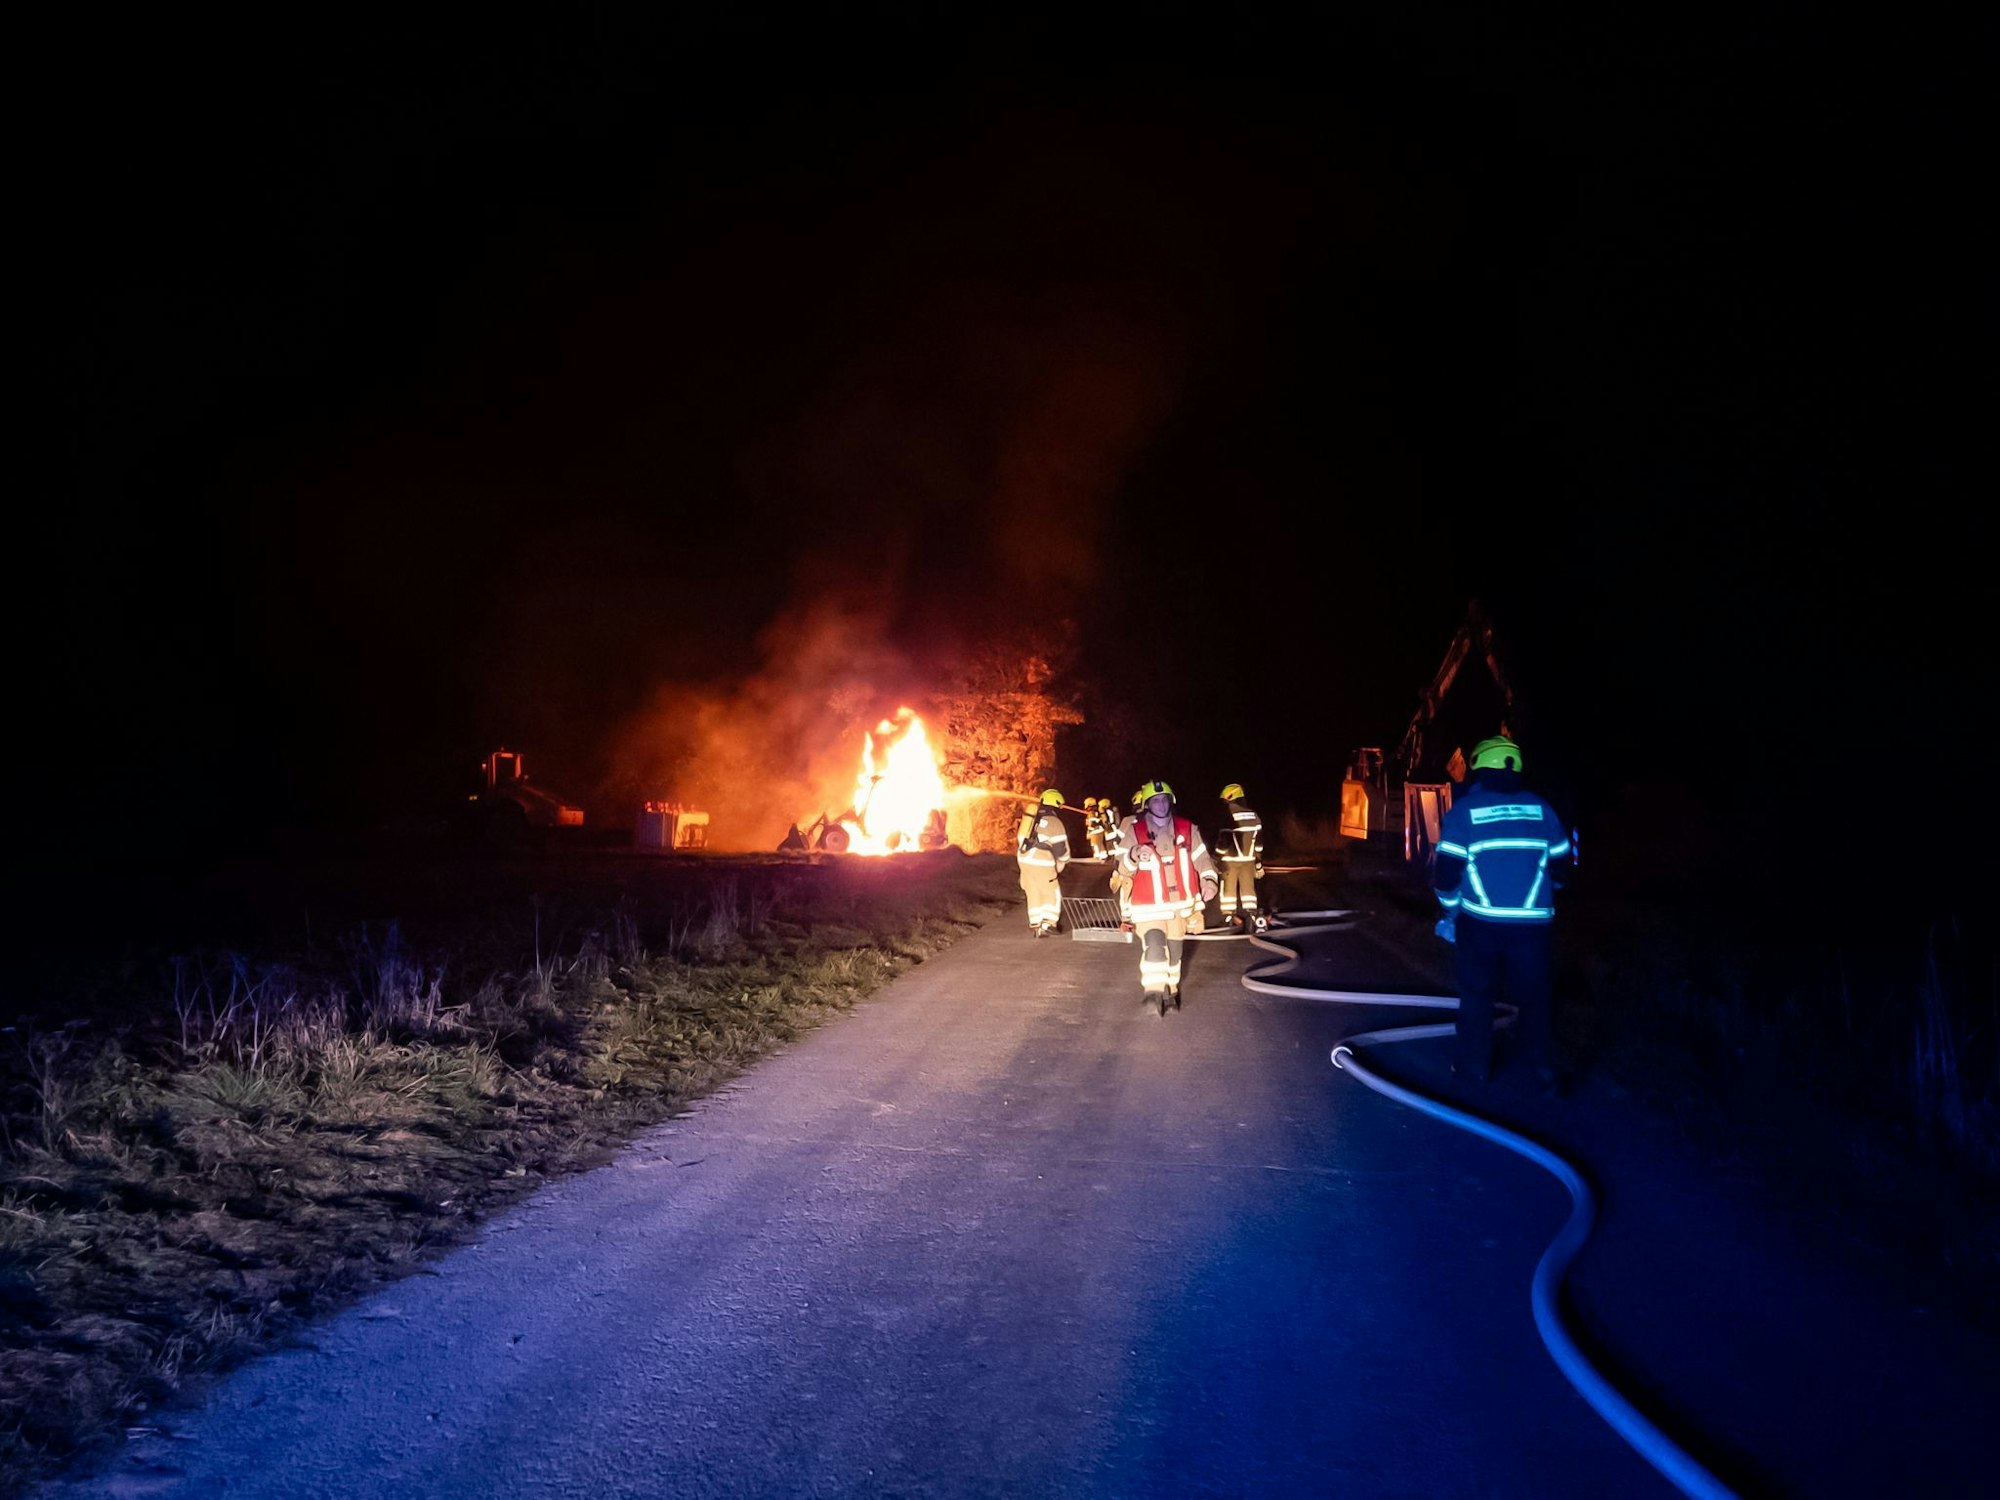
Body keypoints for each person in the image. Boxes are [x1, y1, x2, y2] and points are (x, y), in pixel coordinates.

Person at [1432, 736, 1573, 1093]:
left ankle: (1473, 1069)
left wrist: (1451, 914)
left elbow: (1446, 874)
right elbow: (1561, 870)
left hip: (1480, 924)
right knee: (1536, 998)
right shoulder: (1543, 809)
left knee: (1478, 996)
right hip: (1534, 928)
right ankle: (1542, 1071)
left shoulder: (1465, 812)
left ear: (1480, 768)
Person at [1115, 780, 1219, 1014]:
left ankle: (1170, 990)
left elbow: (1203, 860)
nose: (1161, 805)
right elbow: (1121, 866)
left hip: (1180, 907)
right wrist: (1133, 854)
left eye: (1164, 800)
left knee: (1175, 953)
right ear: (1147, 804)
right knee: (1154, 944)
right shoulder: (1135, 831)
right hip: (1148, 907)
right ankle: (1152, 993)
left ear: (1170, 801)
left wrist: (1208, 880)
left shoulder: (1188, 828)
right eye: (1155, 800)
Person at [1016, 788, 1072, 937]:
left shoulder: (1032, 818)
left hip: (1024, 860)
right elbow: (1061, 849)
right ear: (1056, 804)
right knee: (1051, 891)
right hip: (1042, 862)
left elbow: (1021, 839)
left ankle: (1035, 923)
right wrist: (1063, 861)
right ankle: (1049, 923)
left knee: (1033, 890)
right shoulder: (1055, 822)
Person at [1216, 782, 1267, 932]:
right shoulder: (1254, 815)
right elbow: (1259, 842)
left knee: (1228, 892)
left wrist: (1216, 857)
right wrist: (1258, 860)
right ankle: (1252, 916)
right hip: (1249, 860)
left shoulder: (1228, 815)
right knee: (1248, 890)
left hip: (1229, 861)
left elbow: (1224, 841)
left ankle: (1228, 919)